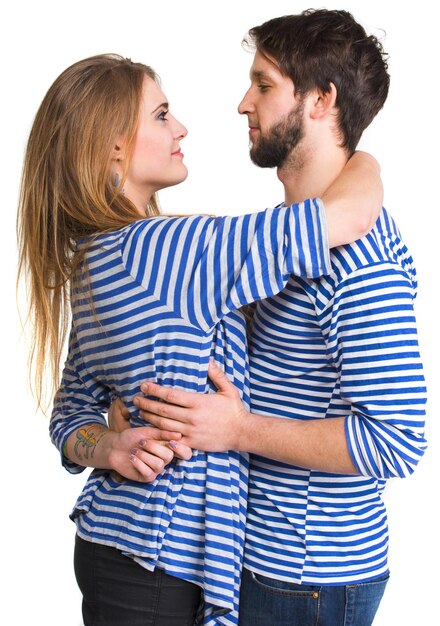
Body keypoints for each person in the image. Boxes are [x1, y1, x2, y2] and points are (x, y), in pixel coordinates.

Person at [17, 53, 382, 626]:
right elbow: (348, 216)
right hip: (161, 565)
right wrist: (366, 158)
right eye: (162, 116)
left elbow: (69, 417)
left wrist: (108, 449)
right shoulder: (167, 250)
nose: (181, 127)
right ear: (112, 146)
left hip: (118, 547)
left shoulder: (95, 258)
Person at [122, 9, 428, 626]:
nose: (243, 103)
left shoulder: (357, 260)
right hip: (261, 562)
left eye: (264, 85)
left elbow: (397, 441)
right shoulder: (286, 238)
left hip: (309, 577)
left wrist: (238, 430)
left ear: (321, 100)